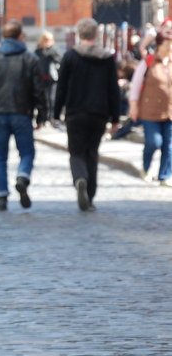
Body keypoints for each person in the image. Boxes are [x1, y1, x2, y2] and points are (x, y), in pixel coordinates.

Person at [0, 20, 47, 211]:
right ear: (20, 36)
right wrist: (41, 115)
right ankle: (22, 176)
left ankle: (1, 195)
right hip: (22, 113)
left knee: (0, 156)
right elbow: (38, 90)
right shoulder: (30, 58)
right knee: (27, 152)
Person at [53, 18, 121, 211]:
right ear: (96, 35)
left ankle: (80, 178)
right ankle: (89, 197)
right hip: (99, 113)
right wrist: (115, 118)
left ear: (79, 34)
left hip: (75, 112)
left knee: (76, 152)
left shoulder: (70, 57)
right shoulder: (107, 59)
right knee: (92, 153)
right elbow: (113, 90)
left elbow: (61, 88)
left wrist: (56, 113)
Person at [127, 31, 172, 185]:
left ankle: (165, 175)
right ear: (160, 45)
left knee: (170, 145)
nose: (171, 47)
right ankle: (146, 167)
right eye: (168, 43)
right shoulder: (149, 62)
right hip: (150, 111)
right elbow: (136, 85)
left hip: (170, 111)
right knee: (154, 142)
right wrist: (133, 105)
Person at [35, 30, 62, 127]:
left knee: (52, 98)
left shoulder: (54, 51)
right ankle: (43, 117)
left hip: (52, 78)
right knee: (43, 99)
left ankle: (52, 117)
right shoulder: (38, 51)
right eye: (46, 40)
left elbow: (60, 60)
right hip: (40, 78)